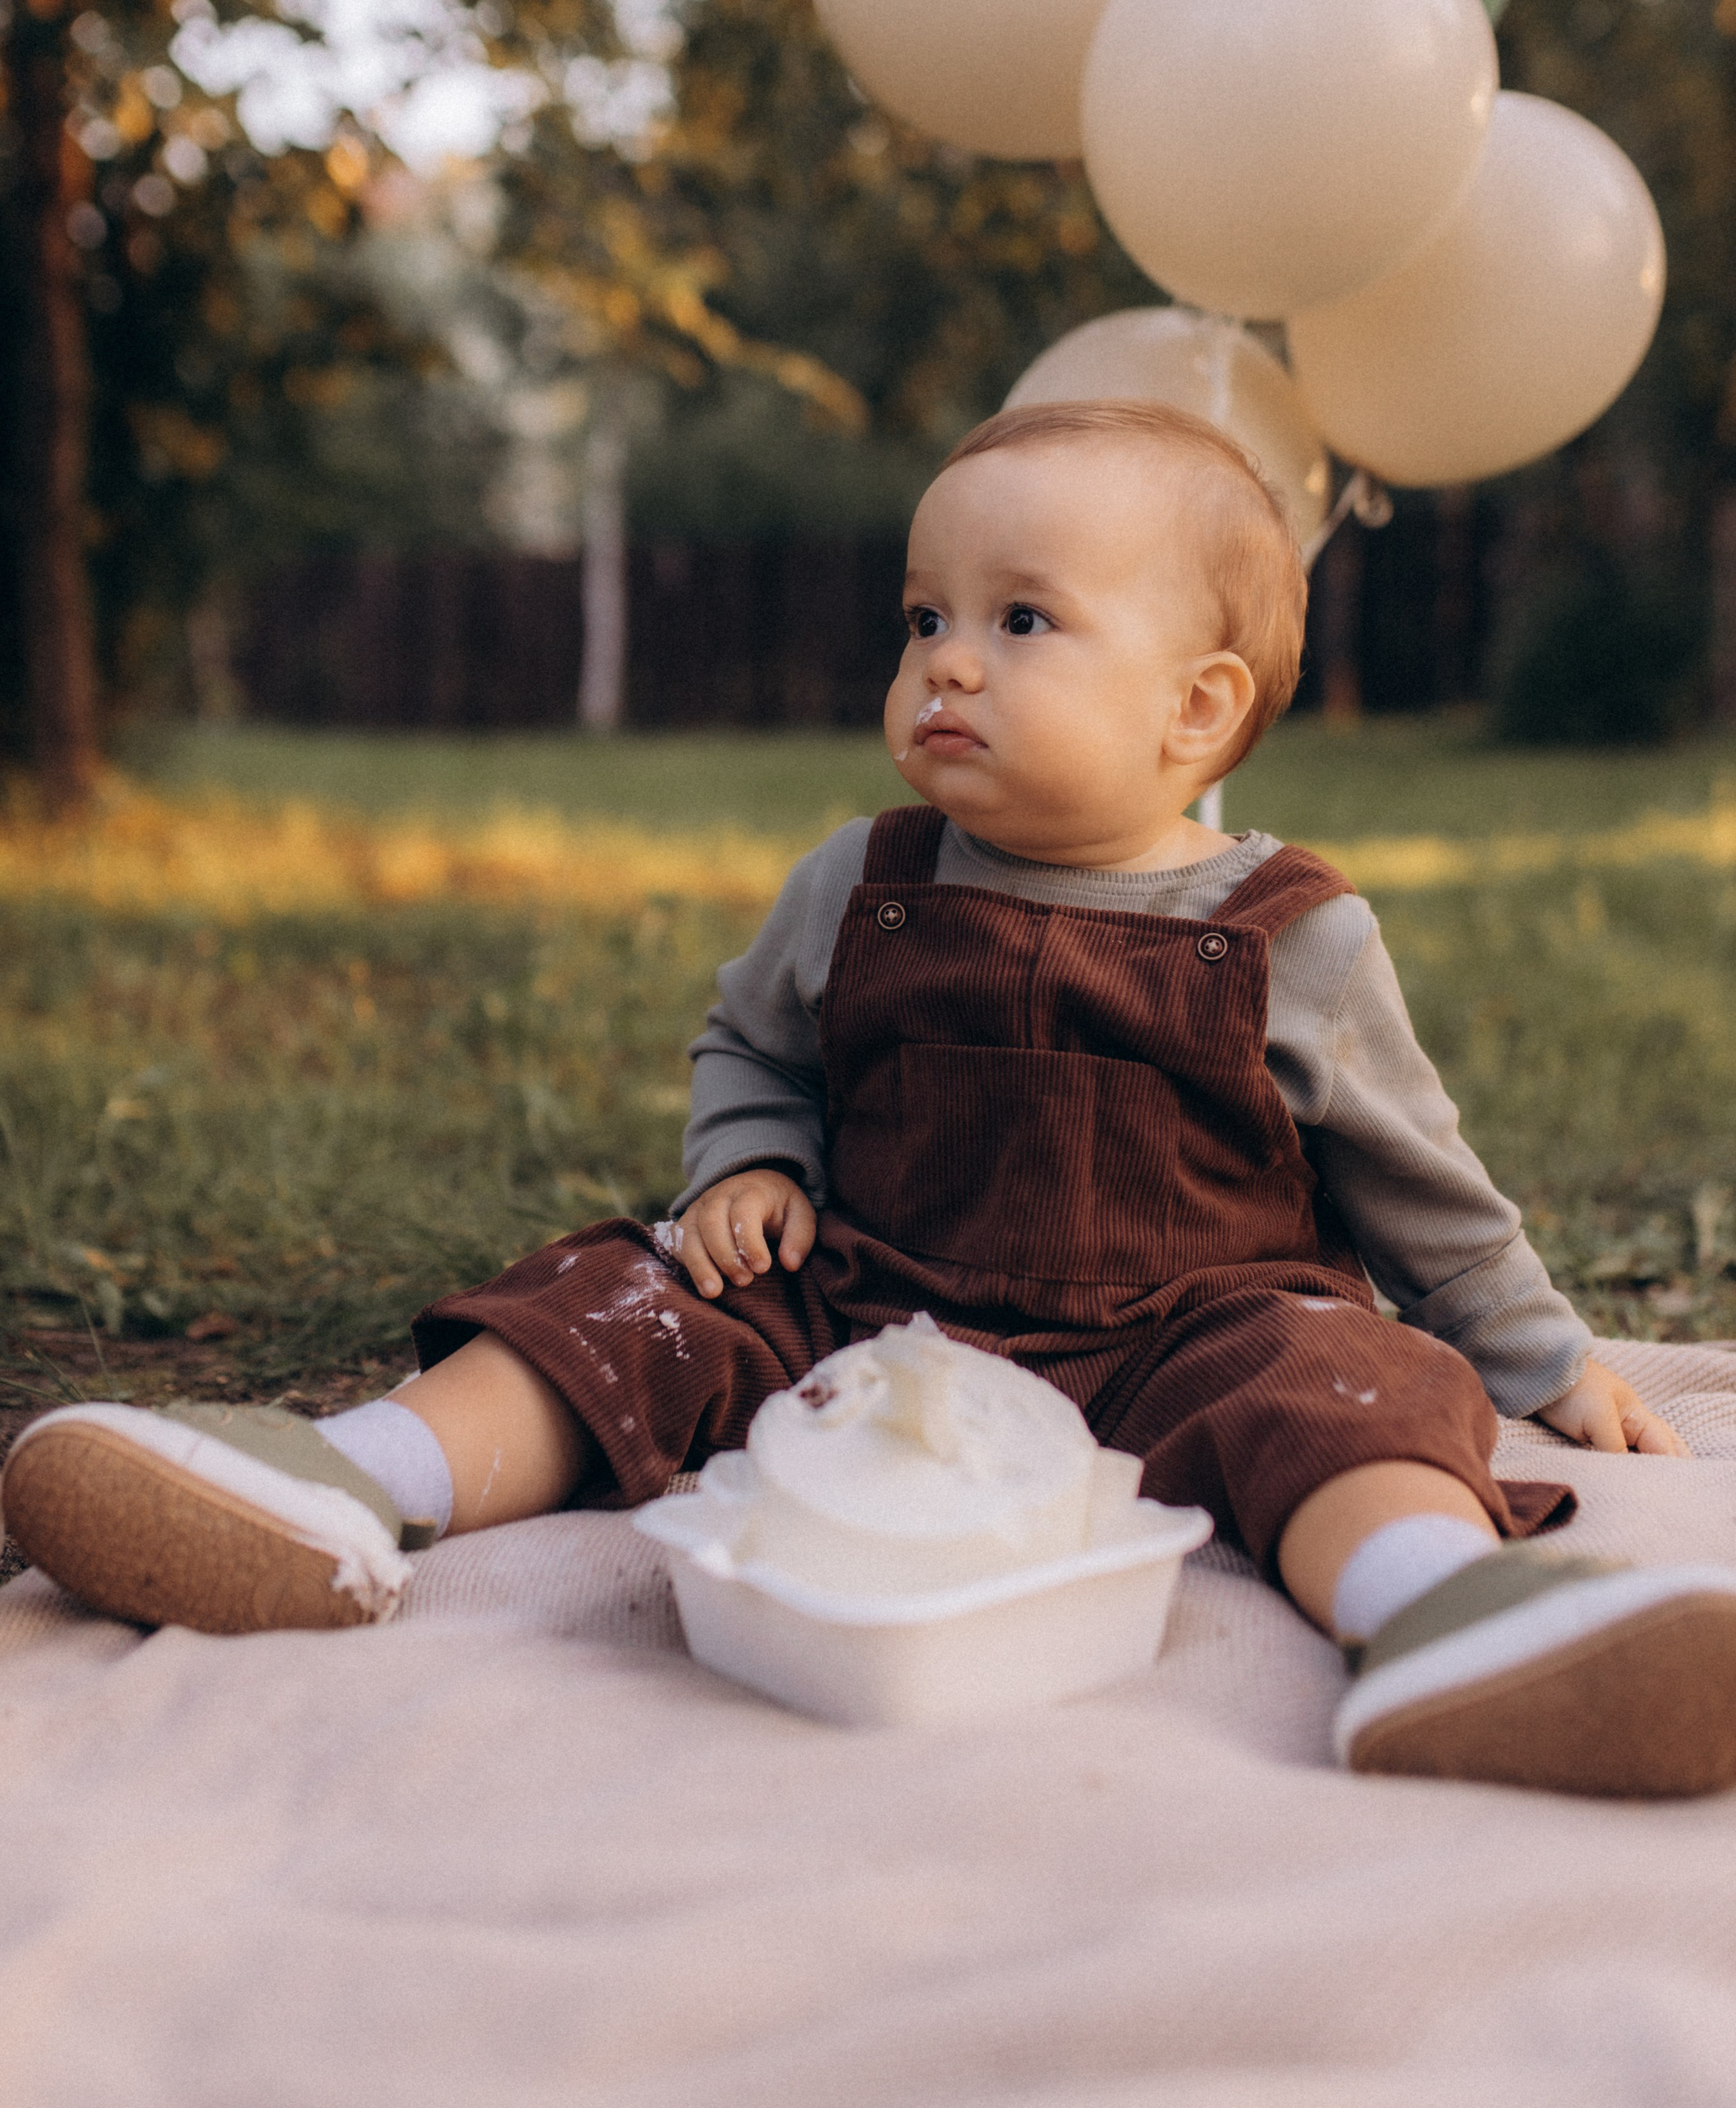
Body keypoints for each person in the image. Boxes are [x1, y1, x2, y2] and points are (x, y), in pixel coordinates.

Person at [8, 401, 1736, 1795]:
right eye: (924, 617)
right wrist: (747, 1163)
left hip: (1189, 1322)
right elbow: (752, 1042)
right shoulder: (864, 879)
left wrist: (1548, 1364)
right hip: (870, 1294)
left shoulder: (1289, 931)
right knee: (625, 1293)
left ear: (1194, 710)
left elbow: (1422, 1186)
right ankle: (343, 1481)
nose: (946, 662)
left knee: (1351, 1385)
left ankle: (1438, 1611)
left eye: (1020, 620)